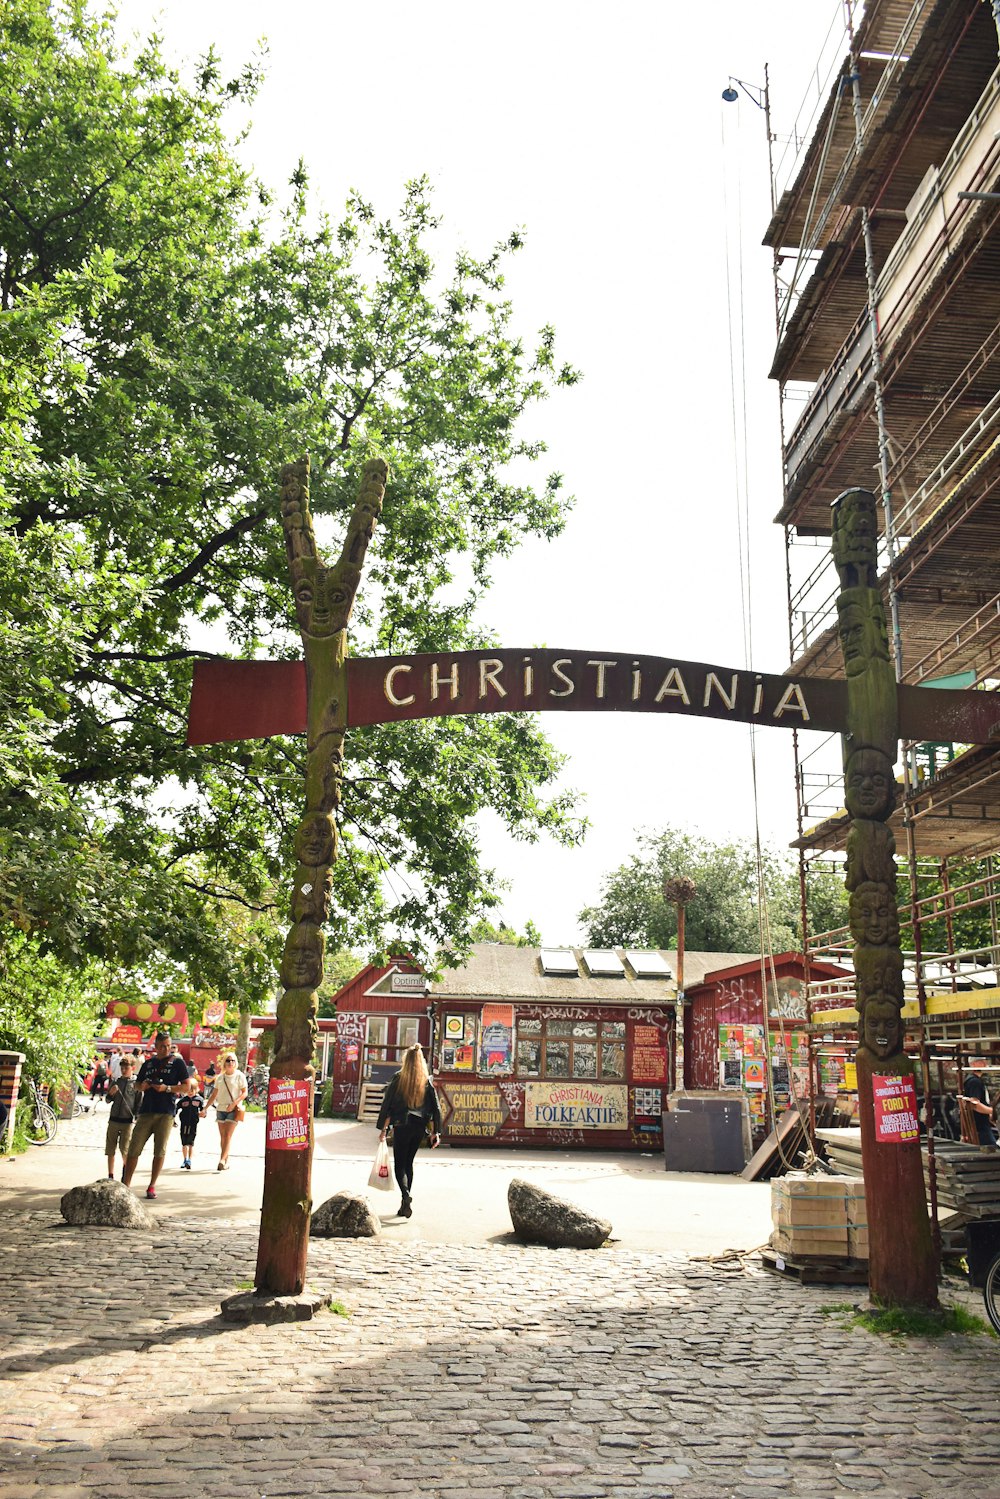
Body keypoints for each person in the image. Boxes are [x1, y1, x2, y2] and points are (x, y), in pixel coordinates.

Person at [122, 1032, 190, 1198]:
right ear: (156, 1047)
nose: (166, 1049)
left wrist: (167, 1088)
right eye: (162, 1046)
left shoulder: (178, 1063)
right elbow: (137, 1084)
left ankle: (152, 1186)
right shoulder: (149, 1063)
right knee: (134, 1148)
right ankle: (125, 1184)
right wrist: (143, 1086)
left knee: (159, 1150)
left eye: (168, 1045)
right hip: (146, 1110)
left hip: (166, 1112)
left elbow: (186, 1086)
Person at [377, 1044, 441, 1218]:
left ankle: (406, 1195)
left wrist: (383, 1129)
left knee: (400, 1165)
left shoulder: (399, 1078)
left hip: (402, 1125)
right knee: (409, 1163)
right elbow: (437, 1109)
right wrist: (437, 1133)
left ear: (406, 1060)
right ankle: (404, 1203)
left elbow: (387, 1105)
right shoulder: (426, 1081)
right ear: (421, 1061)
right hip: (419, 1127)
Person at [201, 1052, 247, 1170]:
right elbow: (214, 1094)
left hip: (233, 1109)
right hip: (220, 1109)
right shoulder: (220, 1077)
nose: (230, 1063)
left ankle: (221, 1160)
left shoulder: (239, 1076)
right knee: (223, 1137)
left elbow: (244, 1093)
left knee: (227, 1135)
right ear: (224, 1063)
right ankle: (226, 1161)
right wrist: (205, 1108)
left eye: (232, 1061)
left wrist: (234, 1104)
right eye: (228, 1060)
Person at [105, 1056, 138, 1178]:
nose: (123, 1070)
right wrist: (110, 1093)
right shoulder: (116, 1082)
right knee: (110, 1149)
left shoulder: (135, 1084)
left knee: (125, 1149)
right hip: (114, 1119)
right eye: (122, 1068)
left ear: (132, 1068)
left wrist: (136, 1117)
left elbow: (139, 1103)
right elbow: (108, 1100)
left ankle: (126, 1174)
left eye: (126, 1068)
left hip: (127, 1121)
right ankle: (110, 1174)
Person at [958, 1058, 999, 1147]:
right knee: (992, 1150)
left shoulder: (972, 1080)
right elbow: (975, 1105)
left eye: (984, 1061)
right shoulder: (974, 1082)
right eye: (980, 1061)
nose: (985, 1063)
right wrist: (993, 1111)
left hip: (980, 1124)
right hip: (980, 1126)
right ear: (973, 1064)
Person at [176, 1078, 205, 1169]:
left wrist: (203, 1114)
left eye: (192, 1090)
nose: (190, 1092)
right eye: (188, 1090)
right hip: (184, 1123)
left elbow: (203, 1110)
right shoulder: (183, 1100)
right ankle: (185, 1159)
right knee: (184, 1142)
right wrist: (173, 1118)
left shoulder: (199, 1100)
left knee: (191, 1142)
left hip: (193, 1124)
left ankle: (190, 1160)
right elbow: (176, 1108)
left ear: (196, 1090)